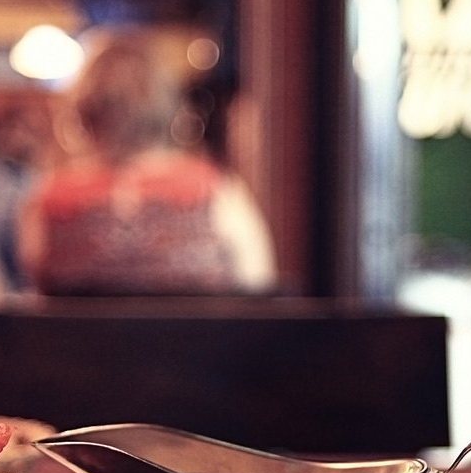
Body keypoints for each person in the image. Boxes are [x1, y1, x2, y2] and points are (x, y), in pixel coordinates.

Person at [15, 34, 277, 296]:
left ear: (84, 113)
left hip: (82, 339)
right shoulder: (216, 191)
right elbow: (258, 288)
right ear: (167, 105)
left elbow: (38, 300)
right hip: (196, 338)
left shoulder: (46, 201)